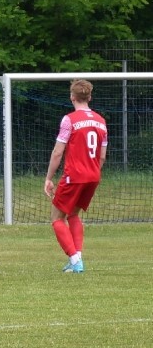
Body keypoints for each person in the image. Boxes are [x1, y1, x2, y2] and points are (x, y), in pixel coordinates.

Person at [44, 79, 107, 273]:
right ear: (89, 97)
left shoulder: (69, 119)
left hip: (75, 175)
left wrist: (48, 178)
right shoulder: (101, 121)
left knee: (56, 217)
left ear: (72, 96)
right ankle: (76, 259)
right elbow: (102, 156)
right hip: (93, 176)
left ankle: (75, 261)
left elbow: (57, 152)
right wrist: (93, 170)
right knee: (73, 214)